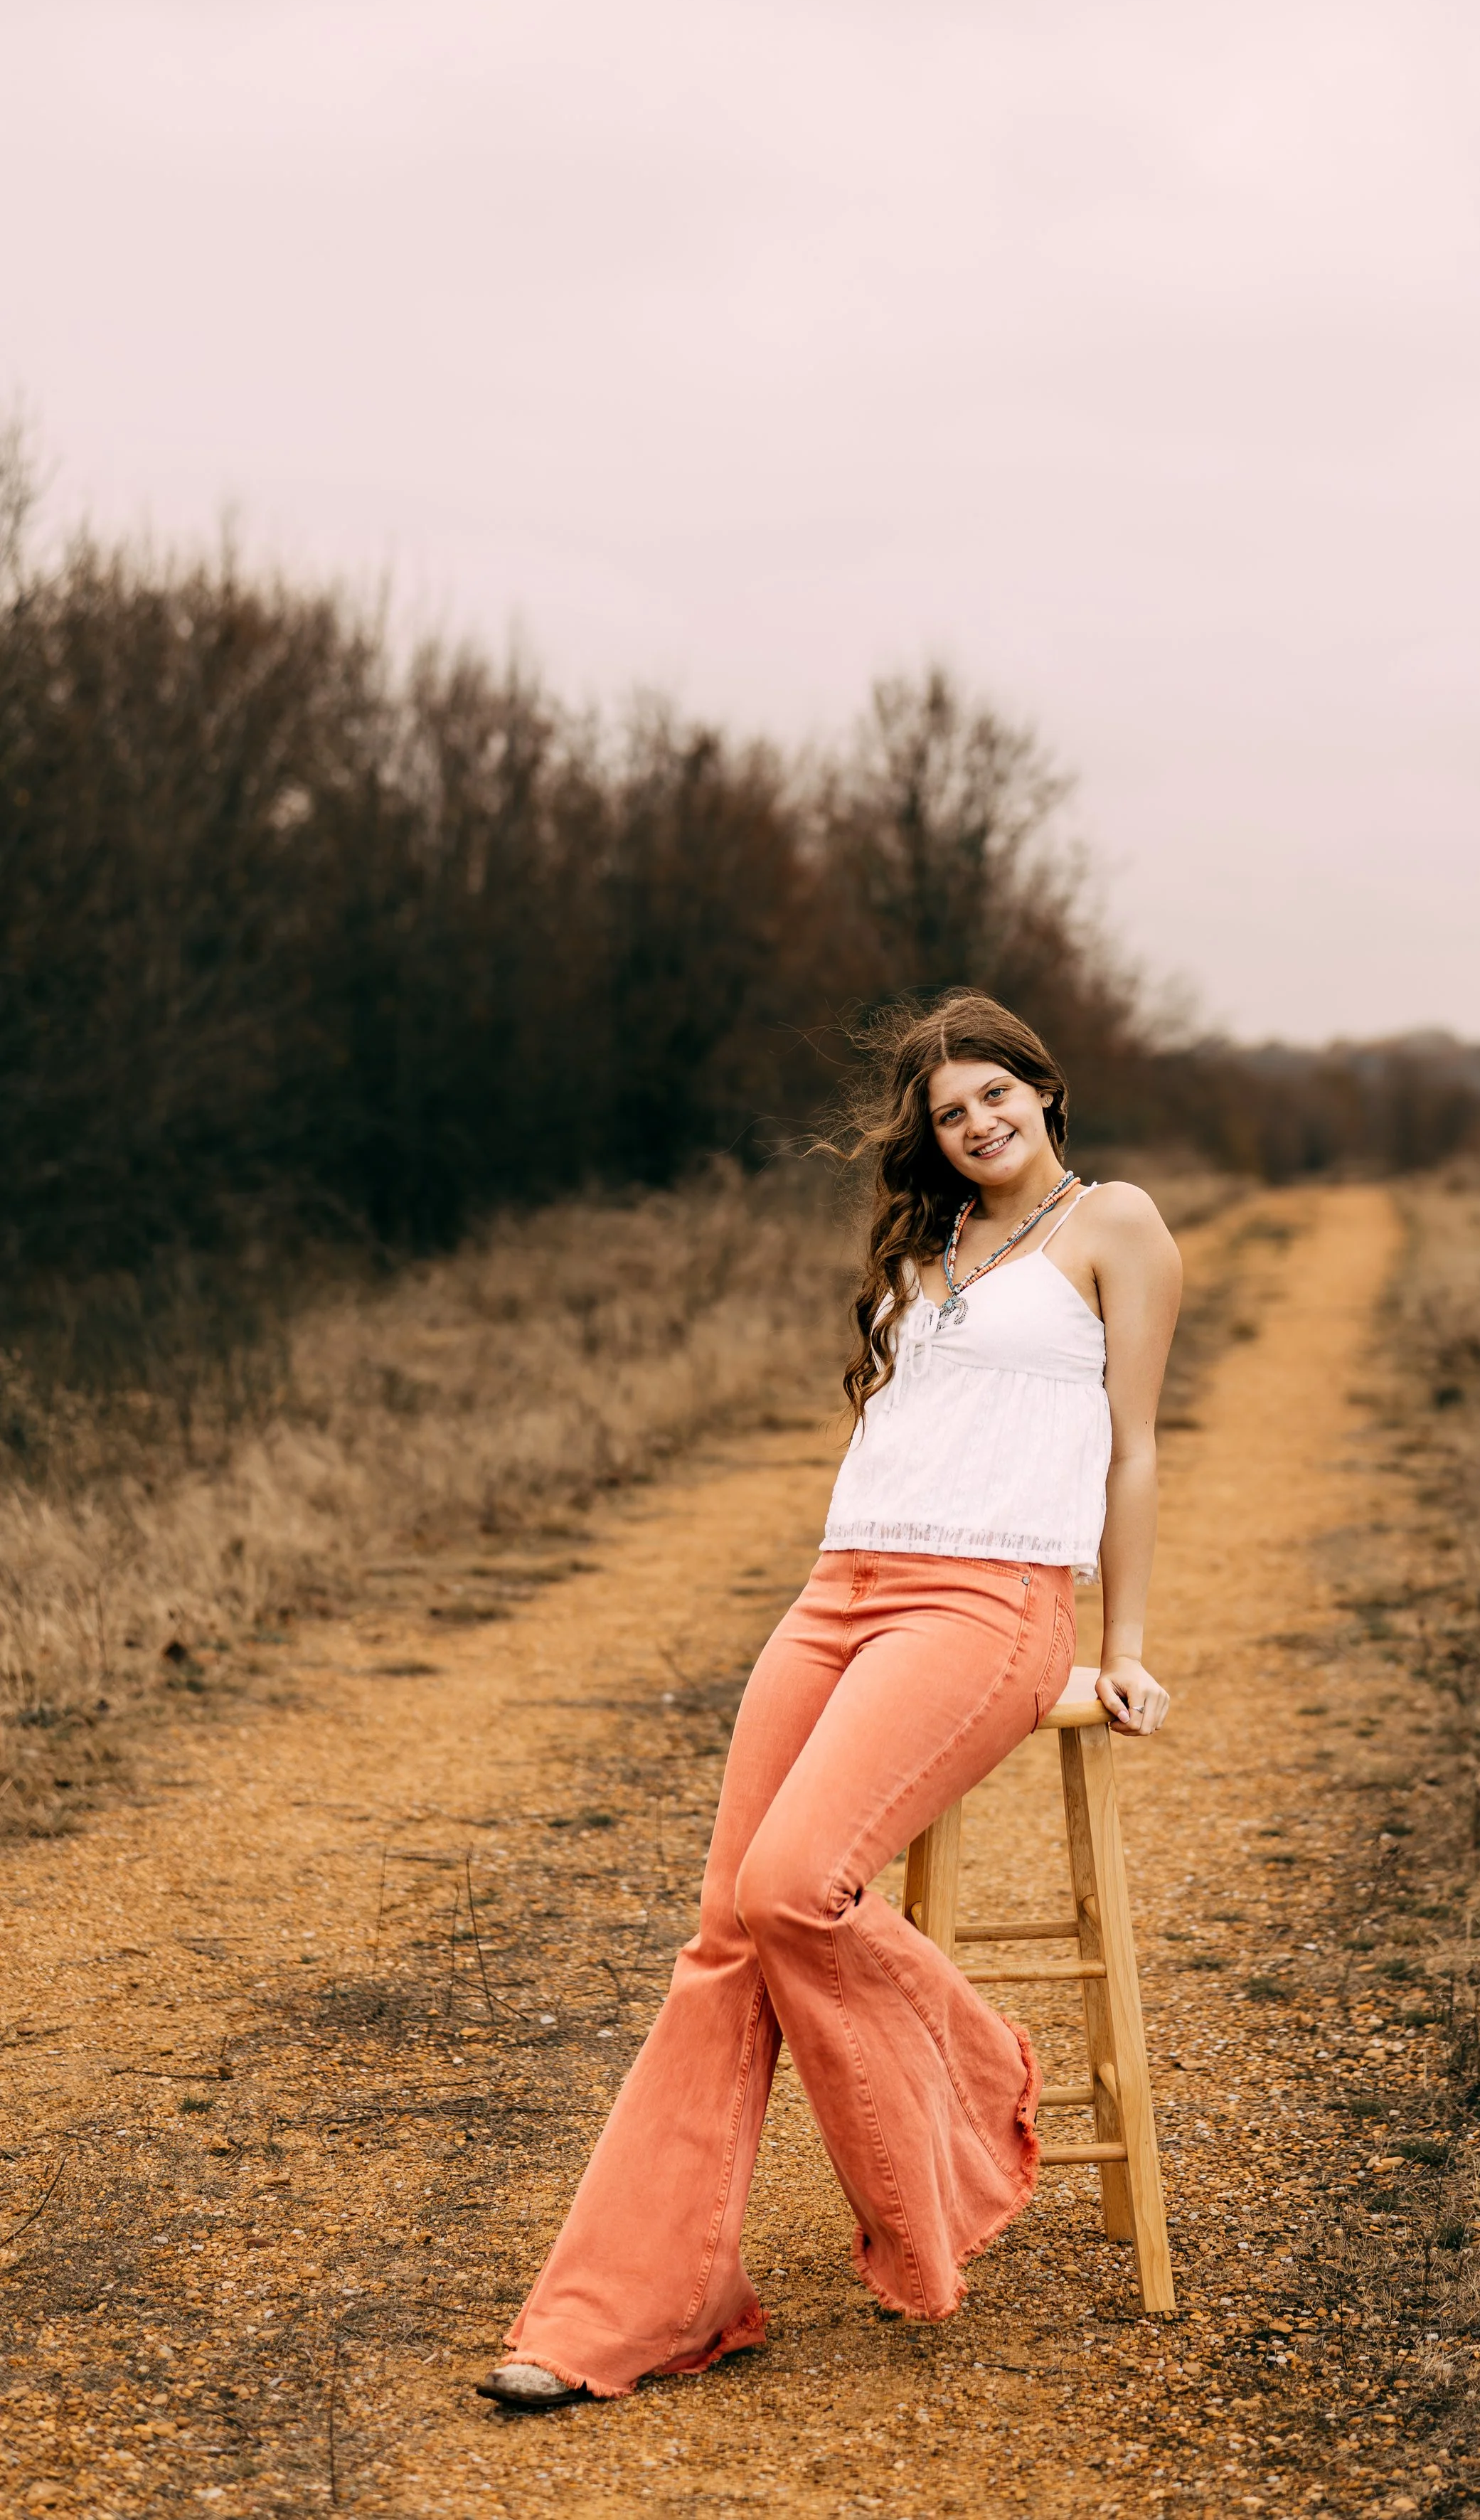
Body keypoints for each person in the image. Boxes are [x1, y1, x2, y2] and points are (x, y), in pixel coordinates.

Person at [478, 991, 1183, 2408]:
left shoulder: (1117, 1227)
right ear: (929, 1137)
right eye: (949, 1111)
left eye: (996, 1094)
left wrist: (1126, 1643)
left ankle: (978, 2078)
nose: (978, 1123)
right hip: (841, 1585)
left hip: (988, 1602)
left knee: (795, 1885)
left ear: (1045, 1092)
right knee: (725, 1928)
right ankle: (629, 2309)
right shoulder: (927, 1242)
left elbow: (1133, 1454)